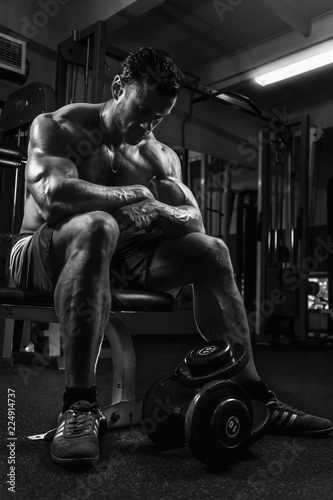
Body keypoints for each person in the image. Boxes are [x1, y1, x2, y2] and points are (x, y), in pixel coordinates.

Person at [10, 47, 332, 468]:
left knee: (211, 251)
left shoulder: (156, 155)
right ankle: (79, 406)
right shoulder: (58, 126)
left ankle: (256, 398)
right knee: (97, 226)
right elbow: (53, 199)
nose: (146, 125)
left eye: (157, 118)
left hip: (121, 260)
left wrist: (159, 211)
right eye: (141, 110)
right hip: (41, 254)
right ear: (117, 88)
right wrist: (138, 195)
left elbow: (193, 219)